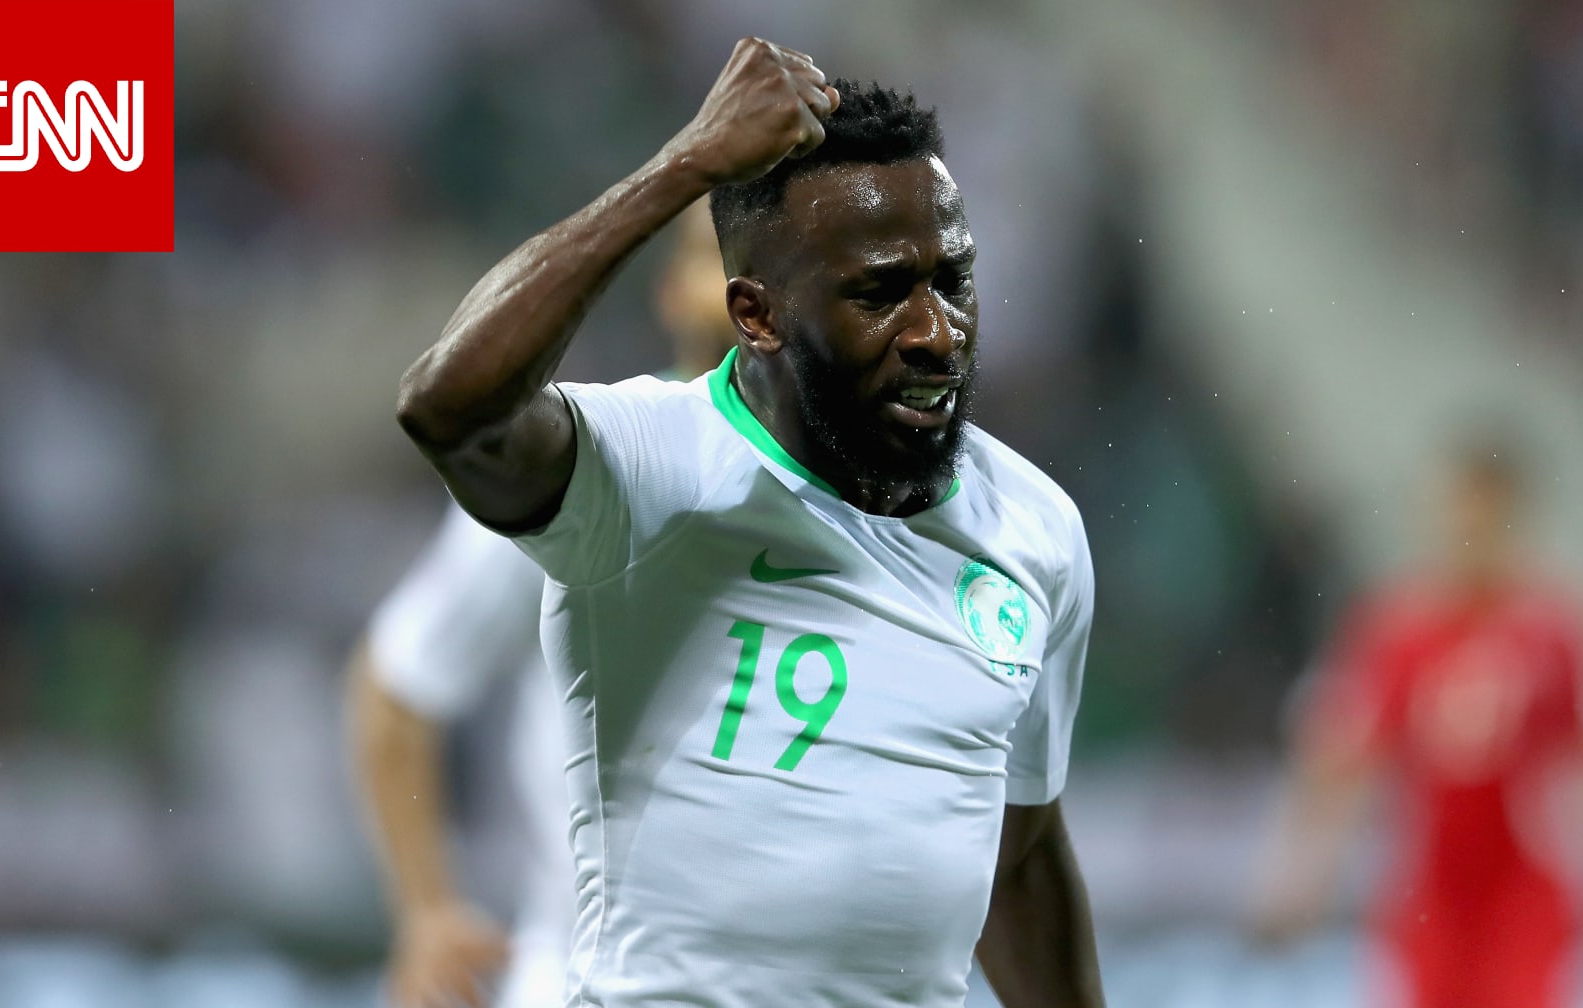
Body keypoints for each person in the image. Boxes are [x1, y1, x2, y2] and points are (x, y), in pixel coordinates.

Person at [393, 38, 1103, 1008]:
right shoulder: (648, 465)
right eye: (879, 292)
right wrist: (683, 167)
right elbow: (449, 408)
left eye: (953, 279)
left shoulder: (1036, 530)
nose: (936, 332)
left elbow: (1016, 858)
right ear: (756, 315)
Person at [350, 204, 738, 1008]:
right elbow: (397, 685)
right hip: (586, 982)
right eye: (717, 254)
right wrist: (426, 911)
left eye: (771, 256)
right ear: (670, 291)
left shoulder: (876, 500)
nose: (744, 282)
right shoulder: (583, 465)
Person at [1251, 437, 1583, 1008]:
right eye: (1453, 514)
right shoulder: (1394, 632)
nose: (1464, 533)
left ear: (1516, 518)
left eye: (1481, 518)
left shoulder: (1562, 632)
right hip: (1428, 900)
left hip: (1526, 901)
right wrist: (1299, 875)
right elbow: (1339, 763)